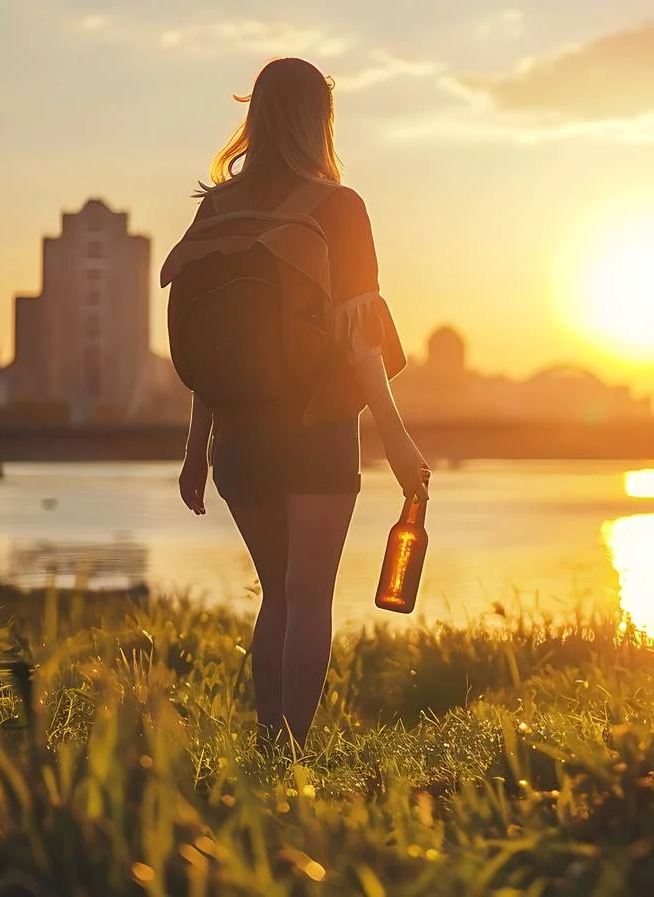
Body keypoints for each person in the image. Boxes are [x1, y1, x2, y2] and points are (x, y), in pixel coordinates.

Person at [171, 57, 429, 751]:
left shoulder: (216, 208)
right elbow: (360, 343)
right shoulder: (338, 208)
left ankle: (268, 747)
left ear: (254, 115)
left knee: (278, 595)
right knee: (310, 596)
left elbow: (213, 343)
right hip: (315, 429)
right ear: (320, 120)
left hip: (238, 438)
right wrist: (397, 441)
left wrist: (196, 451)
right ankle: (288, 758)